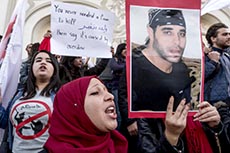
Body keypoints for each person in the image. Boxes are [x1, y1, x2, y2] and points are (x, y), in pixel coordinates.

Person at [41, 76, 128, 153]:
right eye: (95, 92)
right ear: (73, 110)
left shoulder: (118, 146)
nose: (110, 96)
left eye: (107, 91)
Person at [130, 9, 195, 111]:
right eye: (168, 32)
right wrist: (131, 121)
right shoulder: (135, 64)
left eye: (182, 34)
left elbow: (185, 99)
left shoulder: (181, 69)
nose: (177, 42)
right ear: (151, 32)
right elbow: (125, 95)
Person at [0, 50, 61, 153]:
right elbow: (3, 122)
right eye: (38, 60)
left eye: (48, 61)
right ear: (31, 67)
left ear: (55, 68)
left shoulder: (60, 96)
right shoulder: (18, 95)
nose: (43, 62)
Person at [138, 96, 230, 153]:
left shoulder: (199, 108)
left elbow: (222, 147)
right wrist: (171, 136)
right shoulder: (148, 117)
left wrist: (216, 127)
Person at [204, 23, 230, 105]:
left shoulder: (227, 56)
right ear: (213, 39)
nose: (229, 37)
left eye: (229, 34)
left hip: (227, 104)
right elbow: (200, 77)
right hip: (213, 105)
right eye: (225, 34)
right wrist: (213, 62)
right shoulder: (205, 55)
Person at [110, 43, 127, 130]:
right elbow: (115, 67)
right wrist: (127, 66)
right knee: (118, 113)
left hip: (127, 90)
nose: (126, 51)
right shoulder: (115, 59)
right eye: (124, 49)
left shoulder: (129, 59)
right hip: (116, 88)